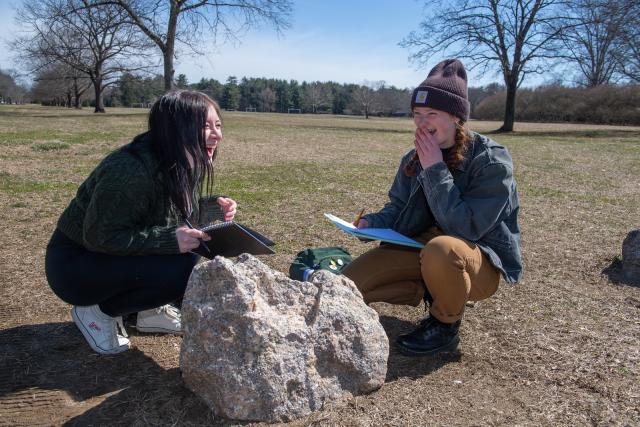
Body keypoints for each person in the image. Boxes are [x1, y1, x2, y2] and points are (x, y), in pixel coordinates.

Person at [342, 59, 522, 357]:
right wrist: (370, 223)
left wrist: (436, 169)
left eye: (432, 113)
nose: (422, 122)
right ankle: (429, 290)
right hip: (420, 250)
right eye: (417, 114)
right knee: (348, 285)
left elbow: (466, 228)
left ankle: (444, 325)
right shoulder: (413, 158)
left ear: (456, 117)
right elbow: (398, 208)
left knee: (442, 250)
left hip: (475, 261)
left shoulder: (491, 161)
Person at [45, 90, 237, 355]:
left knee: (188, 251)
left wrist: (212, 207)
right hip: (75, 267)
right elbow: (101, 236)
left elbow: (166, 211)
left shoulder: (181, 159)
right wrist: (170, 239)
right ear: (174, 128)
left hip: (106, 255)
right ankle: (97, 312)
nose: (217, 135)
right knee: (180, 267)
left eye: (218, 125)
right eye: (205, 126)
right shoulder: (130, 169)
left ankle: (149, 313)